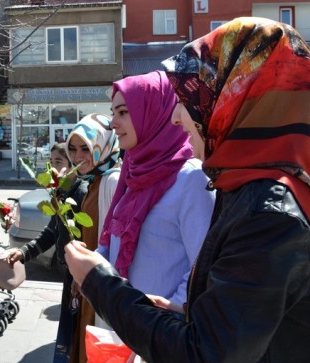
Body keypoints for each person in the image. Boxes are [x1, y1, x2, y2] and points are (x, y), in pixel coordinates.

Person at [64, 17, 310, 362]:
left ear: (235, 98)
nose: (177, 117)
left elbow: (204, 354)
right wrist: (184, 313)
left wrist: (99, 281)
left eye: (192, 98)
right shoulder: (245, 189)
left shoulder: (267, 212)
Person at [99, 70, 215, 315]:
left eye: (123, 112)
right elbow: (115, 243)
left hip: (162, 337)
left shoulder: (191, 179)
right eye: (113, 113)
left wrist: (164, 319)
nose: (113, 123)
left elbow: (204, 267)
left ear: (152, 113)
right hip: (133, 329)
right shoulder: (135, 173)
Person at [11, 115, 120, 363]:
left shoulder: (108, 181)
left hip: (95, 281)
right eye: (73, 150)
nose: (78, 156)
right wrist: (26, 252)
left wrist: (89, 276)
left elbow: (112, 243)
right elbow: (55, 230)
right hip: (80, 279)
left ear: (101, 146)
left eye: (85, 148)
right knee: (73, 341)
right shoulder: (88, 183)